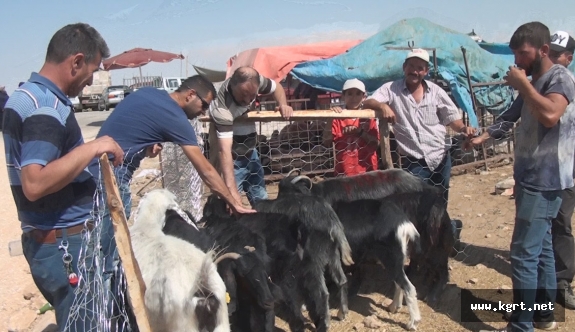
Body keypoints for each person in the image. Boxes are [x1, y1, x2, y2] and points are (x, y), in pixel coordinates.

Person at [2, 23, 124, 330]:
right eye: (93, 70)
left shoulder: (27, 95)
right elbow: (35, 182)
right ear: (76, 61)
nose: (91, 80)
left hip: (57, 244)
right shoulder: (46, 105)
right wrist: (95, 146)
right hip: (66, 248)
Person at [470, 30, 575, 311]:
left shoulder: (560, 78)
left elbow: (551, 116)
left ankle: (521, 324)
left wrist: (523, 86)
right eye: (514, 53)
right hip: (530, 177)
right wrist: (485, 135)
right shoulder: (535, 81)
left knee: (524, 254)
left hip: (546, 179)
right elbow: (511, 116)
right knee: (542, 249)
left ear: (542, 50)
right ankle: (544, 312)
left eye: (522, 54)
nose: (517, 60)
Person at [92, 75, 255, 217]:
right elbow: (206, 171)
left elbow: (132, 123)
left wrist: (148, 142)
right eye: (204, 105)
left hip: (94, 168)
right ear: (191, 95)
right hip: (112, 177)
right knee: (110, 244)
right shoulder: (176, 117)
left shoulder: (148, 92)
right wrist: (234, 204)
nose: (204, 112)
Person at [209, 66, 293, 207]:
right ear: (232, 85)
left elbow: (277, 87)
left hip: (251, 154)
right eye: (243, 94)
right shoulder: (222, 107)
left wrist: (283, 104)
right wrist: (231, 191)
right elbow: (224, 151)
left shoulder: (255, 81)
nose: (248, 100)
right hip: (232, 162)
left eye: (253, 95)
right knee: (230, 207)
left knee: (262, 203)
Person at [323, 78, 379, 176]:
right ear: (343, 96)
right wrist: (330, 118)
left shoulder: (368, 117)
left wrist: (360, 132)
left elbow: (376, 143)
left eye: (358, 94)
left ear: (364, 96)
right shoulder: (338, 117)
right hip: (344, 172)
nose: (354, 98)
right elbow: (326, 141)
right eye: (350, 94)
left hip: (368, 171)